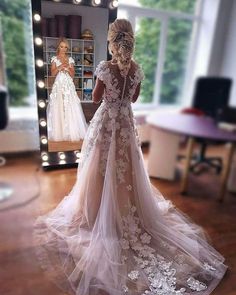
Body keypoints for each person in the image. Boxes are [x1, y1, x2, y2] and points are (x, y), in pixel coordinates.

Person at [35, 20, 227, 295]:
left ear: (112, 41)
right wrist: (122, 93)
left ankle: (97, 212)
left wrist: (101, 86)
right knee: (126, 170)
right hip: (124, 123)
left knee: (100, 167)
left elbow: (96, 96)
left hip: (107, 123)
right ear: (130, 42)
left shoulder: (104, 68)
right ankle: (126, 208)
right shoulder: (136, 70)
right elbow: (134, 99)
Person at [47, 37, 87, 141]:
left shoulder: (70, 59)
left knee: (70, 104)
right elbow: (52, 73)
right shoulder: (54, 59)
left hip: (68, 84)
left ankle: (71, 129)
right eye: (61, 47)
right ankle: (59, 130)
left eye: (65, 47)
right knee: (58, 104)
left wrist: (68, 68)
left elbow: (73, 74)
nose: (63, 49)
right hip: (59, 83)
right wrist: (60, 67)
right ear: (58, 47)